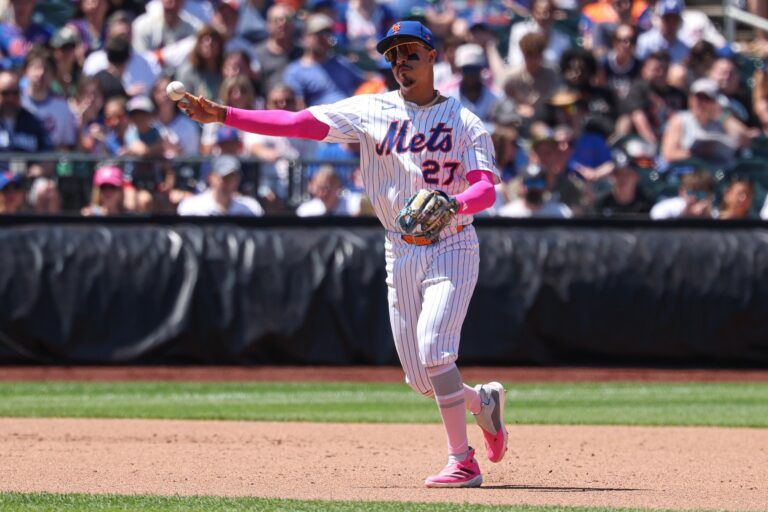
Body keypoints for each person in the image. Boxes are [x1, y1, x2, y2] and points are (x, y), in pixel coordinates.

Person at [179, 19, 508, 488]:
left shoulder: (465, 121)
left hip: (452, 242)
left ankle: (463, 460)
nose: (401, 62)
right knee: (423, 379)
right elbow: (299, 124)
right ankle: (484, 403)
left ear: (434, 56)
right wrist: (226, 116)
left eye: (410, 52)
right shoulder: (372, 109)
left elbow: (485, 191)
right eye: (393, 55)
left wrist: (455, 203)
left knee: (436, 350)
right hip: (400, 247)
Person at [660, 78, 750, 168]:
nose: (699, 102)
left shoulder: (722, 121)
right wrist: (696, 154)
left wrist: (723, 116)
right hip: (690, 170)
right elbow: (668, 153)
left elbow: (745, 140)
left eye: (706, 99)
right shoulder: (681, 119)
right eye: (697, 97)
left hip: (719, 171)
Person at [282, 13, 364, 107]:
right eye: (319, 34)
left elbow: (366, 82)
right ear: (306, 37)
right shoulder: (295, 71)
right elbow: (297, 107)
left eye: (328, 33)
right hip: (320, 119)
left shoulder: (341, 63)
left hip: (350, 116)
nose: (325, 38)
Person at [21, 46, 78, 150]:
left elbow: (65, 146)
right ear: (25, 71)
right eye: (36, 68)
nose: (41, 73)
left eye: (46, 69)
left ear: (53, 75)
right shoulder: (16, 102)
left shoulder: (62, 107)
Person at [177, 154, 264, 216]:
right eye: (224, 177)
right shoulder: (192, 207)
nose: (227, 182)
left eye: (232, 178)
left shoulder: (251, 208)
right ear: (211, 177)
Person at [253, 4, 302, 94]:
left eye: (287, 19)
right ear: (268, 25)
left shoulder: (302, 53)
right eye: (277, 20)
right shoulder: (257, 54)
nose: (282, 23)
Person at [0, 70, 51, 153]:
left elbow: (48, 155)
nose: (10, 98)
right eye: (5, 93)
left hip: (27, 165)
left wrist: (40, 166)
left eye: (15, 93)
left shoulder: (33, 122)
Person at [593, 148, 652, 217]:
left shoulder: (646, 205)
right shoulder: (602, 205)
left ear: (636, 177)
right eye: (618, 174)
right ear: (611, 177)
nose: (622, 178)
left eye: (627, 175)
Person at [498, 164, 572, 218]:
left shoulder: (561, 213)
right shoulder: (507, 214)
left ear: (546, 185)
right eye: (529, 183)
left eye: (539, 183)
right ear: (521, 185)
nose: (533, 188)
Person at [635, 0, 690, 64]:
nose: (671, 23)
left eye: (674, 19)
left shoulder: (685, 46)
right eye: (667, 19)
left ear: (680, 21)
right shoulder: (645, 41)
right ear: (660, 19)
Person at [650, 168, 716, 219]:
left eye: (701, 193)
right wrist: (686, 213)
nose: (695, 197)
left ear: (709, 195)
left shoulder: (714, 212)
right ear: (681, 193)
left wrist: (707, 216)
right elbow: (656, 214)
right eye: (691, 192)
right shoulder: (668, 208)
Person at [296, 165, 361, 216]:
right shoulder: (306, 211)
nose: (323, 193)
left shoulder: (355, 205)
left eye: (327, 188)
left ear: (338, 186)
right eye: (319, 188)